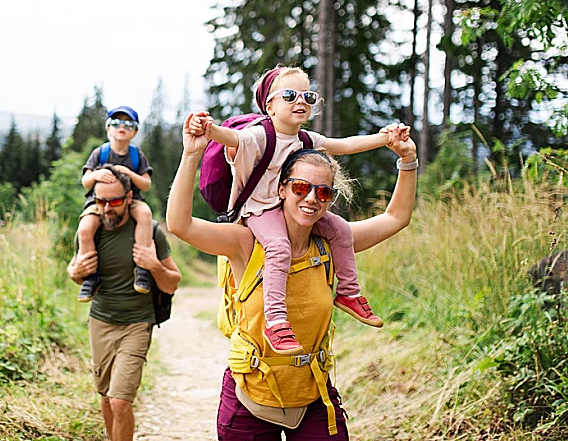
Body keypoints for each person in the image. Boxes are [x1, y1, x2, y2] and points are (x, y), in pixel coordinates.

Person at [167, 112, 418, 439]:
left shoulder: (332, 244)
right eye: (301, 187)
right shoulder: (246, 242)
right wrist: (191, 154)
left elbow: (396, 217)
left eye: (323, 192)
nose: (312, 198)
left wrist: (408, 160)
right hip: (249, 398)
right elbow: (179, 225)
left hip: (314, 395)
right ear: (281, 189)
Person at [189, 66, 409, 355]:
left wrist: (385, 139)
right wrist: (207, 129)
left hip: (288, 207)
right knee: (279, 247)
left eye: (308, 95)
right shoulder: (258, 135)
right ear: (269, 104)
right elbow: (230, 138)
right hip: (259, 211)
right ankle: (276, 321)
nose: (301, 101)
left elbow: (342, 146)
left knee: (341, 229)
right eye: (290, 95)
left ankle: (348, 293)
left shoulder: (305, 140)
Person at [67, 166, 182, 441]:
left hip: (137, 324)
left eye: (115, 201)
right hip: (101, 322)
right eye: (100, 201)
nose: (107, 208)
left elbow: (172, 282)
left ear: (129, 198)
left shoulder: (151, 232)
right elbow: (76, 273)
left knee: (120, 400)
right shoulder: (90, 232)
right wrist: (74, 272)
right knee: (106, 398)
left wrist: (153, 266)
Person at [77, 105, 155, 301]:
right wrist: (95, 174)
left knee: (145, 215)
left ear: (135, 131)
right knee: (85, 229)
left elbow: (146, 184)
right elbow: (85, 181)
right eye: (116, 123)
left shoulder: (137, 155)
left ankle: (142, 269)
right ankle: (90, 276)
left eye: (128, 124)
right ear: (108, 128)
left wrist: (129, 174)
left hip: (131, 199)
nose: (122, 127)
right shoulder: (100, 153)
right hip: (100, 201)